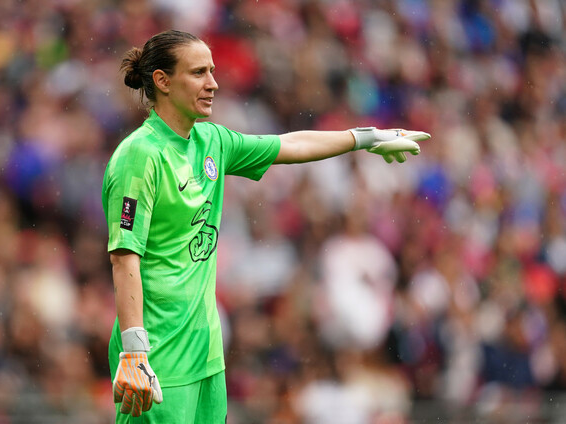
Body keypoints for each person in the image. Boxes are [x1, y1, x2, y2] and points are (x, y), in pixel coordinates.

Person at [102, 29, 430, 424]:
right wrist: (134, 350)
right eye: (199, 72)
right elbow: (125, 257)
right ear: (162, 81)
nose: (213, 83)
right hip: (156, 354)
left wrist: (366, 137)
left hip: (206, 352)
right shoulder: (139, 156)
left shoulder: (212, 141)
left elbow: (290, 145)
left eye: (212, 71)